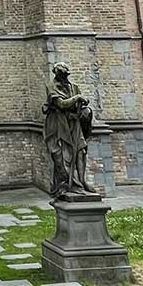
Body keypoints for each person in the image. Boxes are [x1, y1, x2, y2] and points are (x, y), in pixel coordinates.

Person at [43, 63, 102, 200]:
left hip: (74, 124)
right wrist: (78, 98)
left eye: (66, 75)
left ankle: (82, 182)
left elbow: (80, 105)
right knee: (63, 156)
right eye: (61, 75)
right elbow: (61, 104)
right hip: (58, 126)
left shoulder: (74, 87)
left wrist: (85, 110)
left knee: (81, 151)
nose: (65, 78)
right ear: (56, 74)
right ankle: (65, 185)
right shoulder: (51, 86)